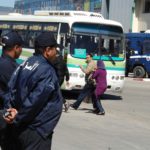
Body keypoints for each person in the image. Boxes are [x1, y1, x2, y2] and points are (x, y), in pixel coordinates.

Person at [3, 32, 63, 150]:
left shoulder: (26, 62)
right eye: (55, 49)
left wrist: (9, 112)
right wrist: (18, 117)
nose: (56, 53)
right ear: (48, 50)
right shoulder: (46, 70)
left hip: (21, 126)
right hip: (36, 130)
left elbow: (10, 88)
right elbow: (35, 100)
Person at [0, 31, 23, 150]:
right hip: (5, 115)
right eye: (21, 47)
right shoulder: (8, 66)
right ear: (16, 48)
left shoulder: (3, 62)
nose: (21, 50)